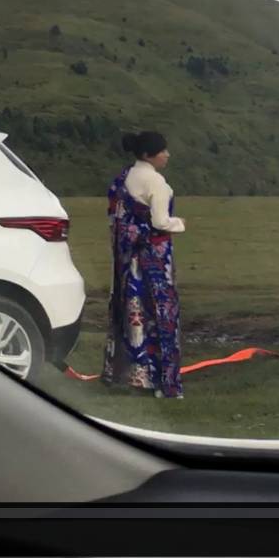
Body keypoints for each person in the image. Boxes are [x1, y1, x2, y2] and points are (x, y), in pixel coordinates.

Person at [102, 131, 186, 398]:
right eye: (163, 151)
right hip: (154, 257)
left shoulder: (126, 176)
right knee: (159, 314)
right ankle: (163, 380)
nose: (167, 155)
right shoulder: (155, 182)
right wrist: (180, 224)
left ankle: (133, 373)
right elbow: (160, 221)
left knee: (133, 311)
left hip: (129, 259)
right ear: (150, 154)